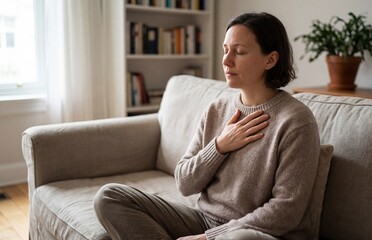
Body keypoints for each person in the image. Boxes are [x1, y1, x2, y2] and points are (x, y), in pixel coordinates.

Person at [93, 12, 320, 240]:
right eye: (225, 50)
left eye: (239, 52)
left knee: (238, 239)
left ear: (270, 60)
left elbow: (286, 211)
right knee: (109, 197)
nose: (226, 60)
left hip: (250, 233)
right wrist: (220, 146)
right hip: (203, 220)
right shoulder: (217, 109)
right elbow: (184, 183)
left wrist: (209, 238)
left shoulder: (296, 121)